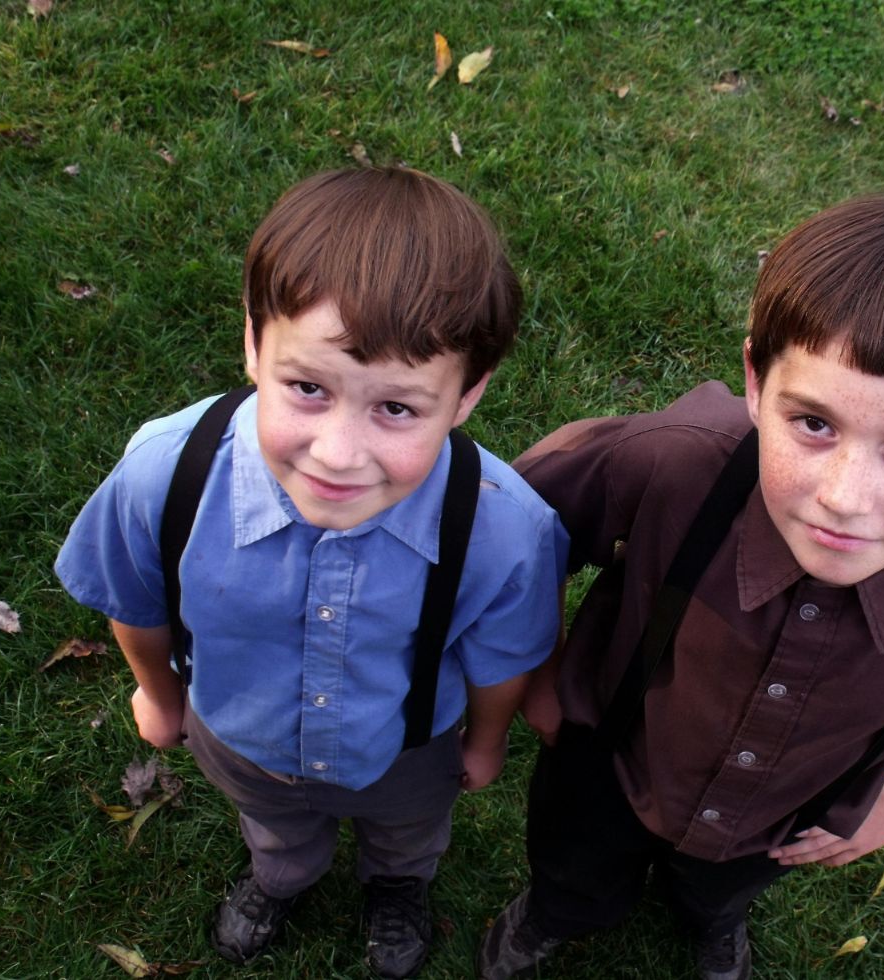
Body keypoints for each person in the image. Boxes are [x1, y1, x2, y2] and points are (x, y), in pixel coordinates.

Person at [477, 194, 884, 980]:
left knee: (717, 896)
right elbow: (515, 527)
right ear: (757, 384)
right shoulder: (672, 461)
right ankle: (555, 915)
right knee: (574, 872)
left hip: (778, 827)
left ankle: (713, 924)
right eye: (815, 424)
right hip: (608, 766)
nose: (843, 495)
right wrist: (543, 668)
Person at [56, 167, 567, 977]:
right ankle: (281, 876)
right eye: (306, 388)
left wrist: (488, 738)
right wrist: (159, 695)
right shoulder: (164, 476)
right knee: (274, 826)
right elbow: (137, 601)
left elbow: (502, 658)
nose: (337, 452)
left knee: (407, 834)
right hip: (239, 737)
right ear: (255, 342)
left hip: (406, 753)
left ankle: (396, 885)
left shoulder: (505, 530)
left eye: (396, 408)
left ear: (467, 394)